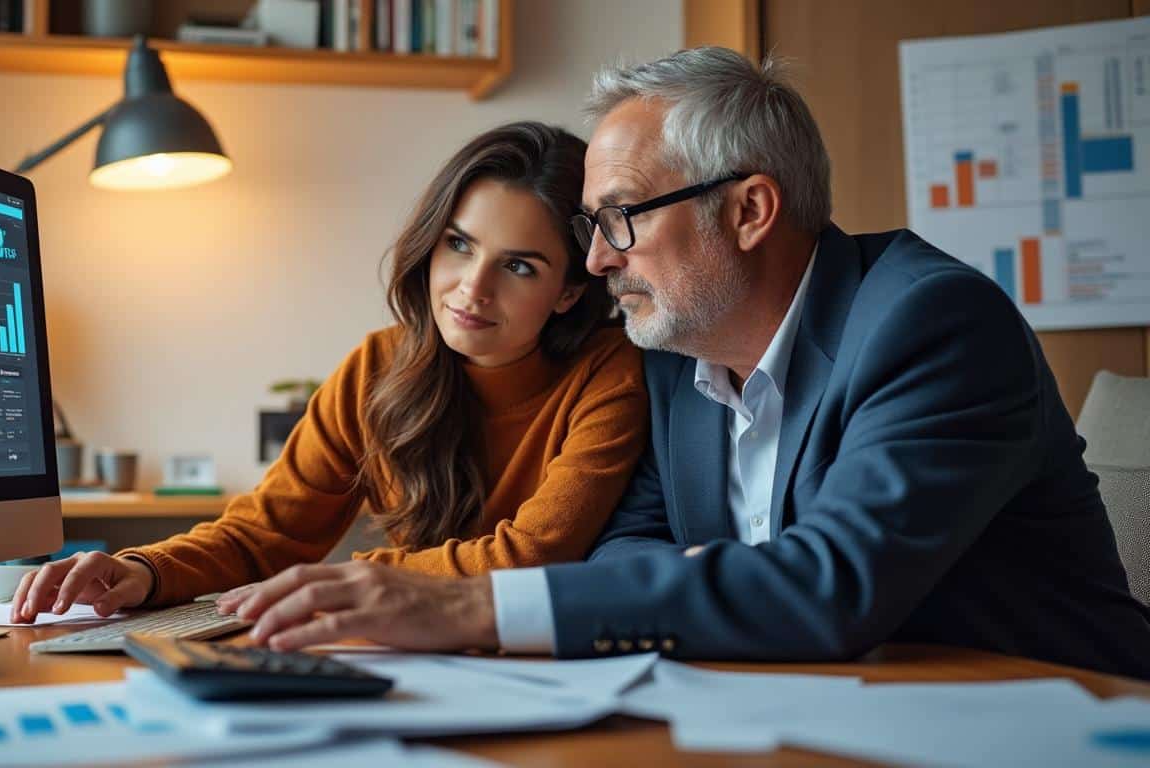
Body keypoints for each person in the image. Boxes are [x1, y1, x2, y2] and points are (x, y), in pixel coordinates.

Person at [223, 48, 1150, 679]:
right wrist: (732, 583)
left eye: (621, 217)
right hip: (815, 708)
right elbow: (630, 545)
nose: (597, 260)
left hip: (1050, 718)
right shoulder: (674, 358)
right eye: (591, 226)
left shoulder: (932, 323)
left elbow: (833, 585)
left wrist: (471, 608)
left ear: (749, 211)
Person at [10, 122, 648, 623]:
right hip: (409, 657)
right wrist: (144, 571)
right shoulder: (379, 366)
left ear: (569, 291)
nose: (471, 288)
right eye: (459, 244)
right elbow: (265, 533)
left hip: (539, 662)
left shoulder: (609, 374)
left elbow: (534, 556)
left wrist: (352, 580)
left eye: (518, 267)